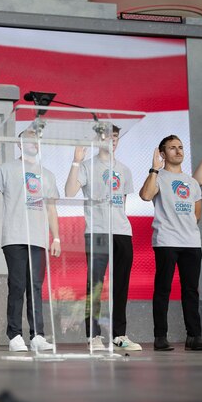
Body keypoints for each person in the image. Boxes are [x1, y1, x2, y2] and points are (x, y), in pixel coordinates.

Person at [0, 130, 59, 353]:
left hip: (38, 239)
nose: (33, 143)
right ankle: (14, 335)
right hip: (14, 237)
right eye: (29, 139)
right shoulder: (7, 169)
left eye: (37, 139)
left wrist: (57, 237)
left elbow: (51, 209)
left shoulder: (48, 174)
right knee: (17, 285)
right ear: (20, 144)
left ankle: (37, 336)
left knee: (35, 287)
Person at [64, 126, 141, 352]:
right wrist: (76, 161)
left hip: (122, 232)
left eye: (115, 137)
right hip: (97, 231)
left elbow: (122, 203)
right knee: (95, 285)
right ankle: (93, 335)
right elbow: (69, 192)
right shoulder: (88, 166)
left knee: (121, 285)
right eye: (107, 137)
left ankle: (119, 334)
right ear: (98, 140)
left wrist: (120, 225)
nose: (112, 141)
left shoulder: (124, 170)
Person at [139, 135, 202, 351]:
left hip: (191, 242)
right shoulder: (158, 177)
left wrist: (184, 224)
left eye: (180, 147)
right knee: (163, 289)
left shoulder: (192, 182)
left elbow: (197, 214)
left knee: (191, 290)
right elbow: (145, 195)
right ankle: (160, 337)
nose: (178, 151)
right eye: (172, 148)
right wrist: (153, 169)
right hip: (166, 241)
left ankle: (194, 337)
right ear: (163, 153)